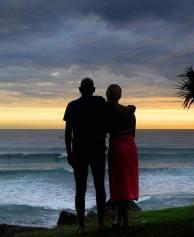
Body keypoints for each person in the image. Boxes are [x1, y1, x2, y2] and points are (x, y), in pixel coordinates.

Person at [64, 78, 107, 234]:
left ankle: (81, 226)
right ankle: (100, 223)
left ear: (80, 89)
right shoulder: (100, 102)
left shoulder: (72, 105)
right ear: (94, 89)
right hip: (97, 150)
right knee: (99, 187)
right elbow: (110, 119)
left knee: (80, 189)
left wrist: (69, 153)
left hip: (79, 152)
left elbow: (68, 134)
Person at [106, 84, 139, 228]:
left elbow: (106, 129)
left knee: (118, 183)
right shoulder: (130, 112)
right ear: (119, 96)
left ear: (108, 95)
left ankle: (119, 219)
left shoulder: (109, 111)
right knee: (126, 183)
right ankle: (123, 219)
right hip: (130, 147)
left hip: (117, 146)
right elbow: (133, 134)